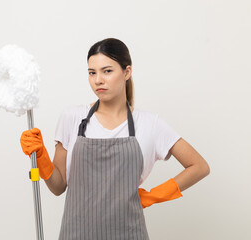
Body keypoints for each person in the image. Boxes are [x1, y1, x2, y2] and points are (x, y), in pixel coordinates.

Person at [20, 38, 210, 240]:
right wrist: (41, 158)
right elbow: (58, 187)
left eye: (107, 71)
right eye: (92, 72)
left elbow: (199, 166)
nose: (98, 80)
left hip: (129, 234)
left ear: (127, 72)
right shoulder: (72, 118)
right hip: (76, 234)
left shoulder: (149, 124)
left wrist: (154, 196)